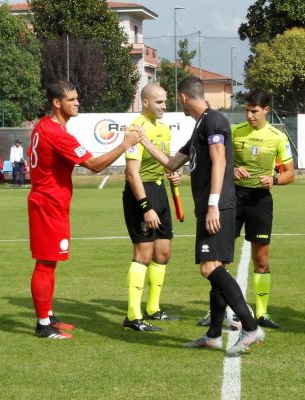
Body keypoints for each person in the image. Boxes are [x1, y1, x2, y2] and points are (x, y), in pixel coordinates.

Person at [140, 76, 264, 355]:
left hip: (217, 207)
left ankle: (250, 326)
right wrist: (144, 141)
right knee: (215, 267)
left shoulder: (214, 120)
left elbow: (220, 160)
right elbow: (173, 163)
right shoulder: (200, 126)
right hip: (211, 206)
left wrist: (212, 205)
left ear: (183, 97)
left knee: (209, 268)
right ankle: (212, 335)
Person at [26, 79, 144, 339]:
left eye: (77, 98)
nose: (78, 102)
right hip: (48, 204)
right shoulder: (57, 134)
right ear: (57, 103)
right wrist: (125, 144)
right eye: (72, 99)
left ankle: (48, 314)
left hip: (49, 202)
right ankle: (42, 325)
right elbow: (95, 165)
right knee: (45, 263)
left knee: (51, 262)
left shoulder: (44, 126)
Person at [230, 88, 295, 330]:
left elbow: (290, 174)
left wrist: (275, 180)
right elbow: (217, 161)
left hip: (260, 202)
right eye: (246, 110)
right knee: (222, 256)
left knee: (261, 258)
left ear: (266, 110)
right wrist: (231, 170)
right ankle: (215, 310)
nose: (249, 115)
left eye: (254, 111)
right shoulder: (234, 132)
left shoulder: (278, 137)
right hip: (233, 198)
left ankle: (262, 313)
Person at [122, 84, 181, 332]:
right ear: (145, 102)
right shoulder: (136, 129)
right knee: (143, 254)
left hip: (160, 192)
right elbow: (131, 173)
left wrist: (173, 175)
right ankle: (133, 316)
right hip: (140, 195)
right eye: (159, 102)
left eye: (165, 102)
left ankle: (153, 309)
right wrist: (146, 207)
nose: (164, 106)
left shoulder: (165, 130)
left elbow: (166, 163)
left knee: (163, 253)